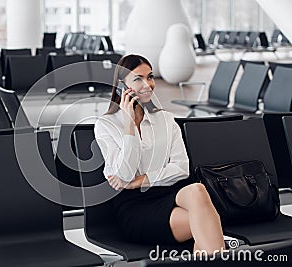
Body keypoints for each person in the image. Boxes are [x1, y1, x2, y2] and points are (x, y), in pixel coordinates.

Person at [94, 54, 225, 254]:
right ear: (122, 86)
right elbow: (123, 176)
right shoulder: (105, 125)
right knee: (205, 223)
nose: (148, 84)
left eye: (150, 77)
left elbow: (181, 169)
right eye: (138, 79)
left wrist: (141, 180)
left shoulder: (165, 119)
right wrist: (129, 125)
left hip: (170, 193)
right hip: (136, 208)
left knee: (197, 191)